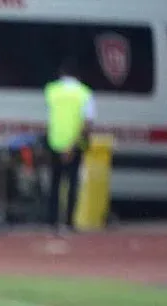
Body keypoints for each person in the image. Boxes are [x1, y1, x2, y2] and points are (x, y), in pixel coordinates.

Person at [45, 59, 94, 234]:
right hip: (74, 144)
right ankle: (69, 222)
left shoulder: (52, 90)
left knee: (55, 184)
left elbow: (51, 115)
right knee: (72, 183)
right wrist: (75, 145)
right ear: (78, 76)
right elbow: (87, 123)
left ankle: (52, 221)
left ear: (61, 74)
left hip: (55, 142)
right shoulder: (84, 93)